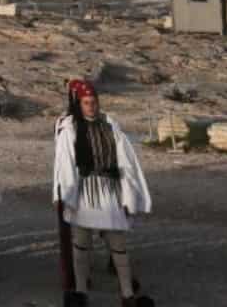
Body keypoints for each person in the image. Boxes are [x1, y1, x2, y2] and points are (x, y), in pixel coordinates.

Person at [53, 79, 153, 307]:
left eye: (94, 102)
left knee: (118, 244)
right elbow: (65, 165)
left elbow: (126, 162)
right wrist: (66, 197)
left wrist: (128, 195)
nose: (91, 106)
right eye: (87, 103)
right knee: (80, 244)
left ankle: (127, 294)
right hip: (83, 192)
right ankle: (80, 292)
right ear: (79, 104)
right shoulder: (69, 128)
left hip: (109, 192)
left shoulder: (110, 125)